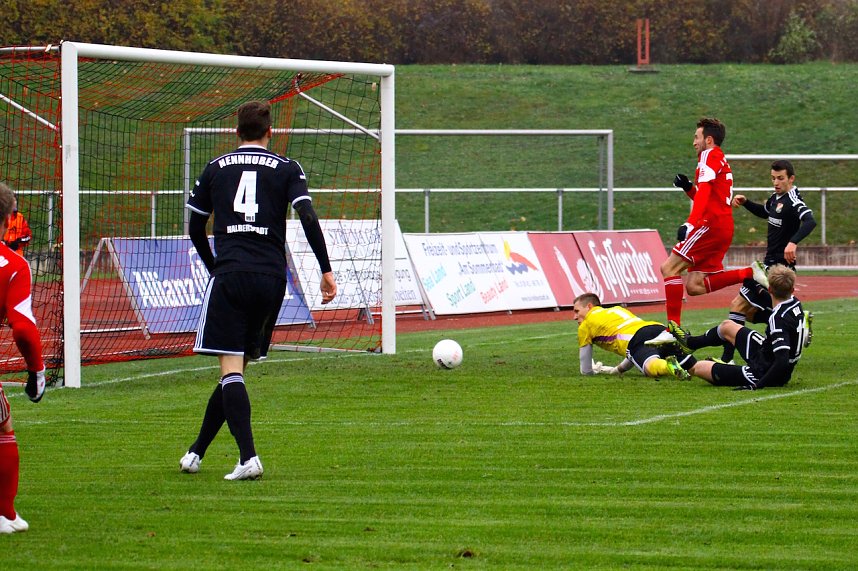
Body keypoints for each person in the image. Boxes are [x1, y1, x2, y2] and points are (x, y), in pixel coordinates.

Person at [180, 101, 337, 481]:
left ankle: (248, 457)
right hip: (271, 279)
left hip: (232, 274)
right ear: (271, 132)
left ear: (237, 133)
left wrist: (213, 265)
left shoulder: (215, 168)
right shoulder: (287, 167)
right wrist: (325, 270)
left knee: (231, 368)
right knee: (234, 371)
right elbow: (308, 217)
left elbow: (194, 228)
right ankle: (196, 451)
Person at [651, 117, 768, 344]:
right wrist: (687, 188)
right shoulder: (719, 159)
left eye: (697, 137)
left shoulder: (709, 155)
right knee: (694, 286)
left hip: (710, 224)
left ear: (709, 139)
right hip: (722, 226)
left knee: (669, 268)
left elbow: (705, 192)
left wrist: (690, 222)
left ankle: (672, 329)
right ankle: (747, 273)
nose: (694, 142)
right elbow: (708, 196)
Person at [719, 160, 816, 362]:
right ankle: (799, 319)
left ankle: (727, 359)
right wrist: (746, 203)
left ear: (791, 178)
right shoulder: (776, 198)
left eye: (780, 178)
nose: (776, 182)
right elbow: (766, 212)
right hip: (768, 264)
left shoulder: (793, 200)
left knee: (738, 305)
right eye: (773, 178)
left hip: (780, 268)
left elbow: (810, 221)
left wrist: (793, 242)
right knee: (751, 312)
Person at [667, 265, 807, 390]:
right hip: (764, 353)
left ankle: (676, 354)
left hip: (764, 372)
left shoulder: (778, 318)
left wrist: (757, 385)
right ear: (792, 289)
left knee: (699, 367)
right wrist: (753, 282)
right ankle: (690, 343)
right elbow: (767, 296)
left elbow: (781, 361)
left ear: (770, 288)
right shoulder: (794, 302)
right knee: (727, 326)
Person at [0, 182, 46, 534]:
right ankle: (5, 513)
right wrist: (37, 371)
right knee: (3, 427)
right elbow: (23, 329)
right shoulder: (13, 265)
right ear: (8, 220)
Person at [573, 293, 696, 380]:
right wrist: (618, 370)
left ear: (589, 306)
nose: (574, 317)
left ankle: (667, 366)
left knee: (650, 368)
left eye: (577, 311)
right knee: (692, 366)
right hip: (658, 328)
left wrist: (590, 371)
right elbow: (632, 351)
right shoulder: (617, 310)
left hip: (637, 339)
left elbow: (586, 370)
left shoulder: (585, 325)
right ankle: (709, 364)